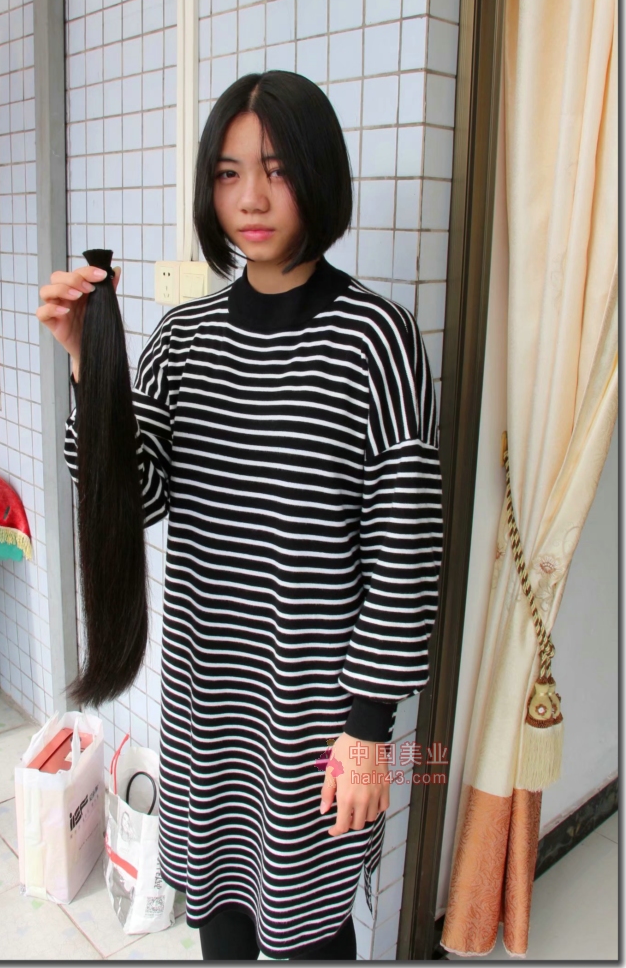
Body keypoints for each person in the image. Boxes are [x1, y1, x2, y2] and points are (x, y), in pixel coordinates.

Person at [37, 71, 444, 961]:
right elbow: (136, 495)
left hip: (313, 713)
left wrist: (369, 731)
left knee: (309, 929)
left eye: (277, 168)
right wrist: (87, 370)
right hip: (206, 700)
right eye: (228, 173)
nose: (251, 198)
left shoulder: (377, 340)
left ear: (318, 174)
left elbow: (405, 549)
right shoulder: (184, 338)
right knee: (220, 917)